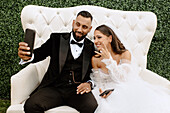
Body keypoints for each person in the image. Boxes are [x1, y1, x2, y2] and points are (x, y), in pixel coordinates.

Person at [18, 11, 98, 113]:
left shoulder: (92, 48)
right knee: (31, 105)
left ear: (89, 29)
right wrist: (27, 56)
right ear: (73, 23)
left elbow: (96, 73)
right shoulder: (56, 39)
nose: (79, 29)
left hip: (77, 91)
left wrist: (89, 84)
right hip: (54, 88)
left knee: (92, 106)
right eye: (77, 24)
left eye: (84, 27)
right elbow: (39, 54)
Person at [91, 24, 170, 113]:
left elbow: (123, 78)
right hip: (105, 92)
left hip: (122, 87)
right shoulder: (95, 59)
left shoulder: (124, 54)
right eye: (94, 38)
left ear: (110, 38)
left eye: (99, 37)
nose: (95, 41)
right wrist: (102, 91)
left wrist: (109, 60)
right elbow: (98, 82)